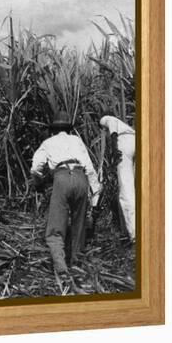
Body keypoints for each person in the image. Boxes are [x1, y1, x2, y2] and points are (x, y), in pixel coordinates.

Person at [29, 111, 101, 277]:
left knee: (55, 228)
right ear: (68, 129)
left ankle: (61, 267)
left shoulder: (48, 142)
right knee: (79, 224)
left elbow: (35, 168)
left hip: (61, 178)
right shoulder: (77, 140)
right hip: (80, 176)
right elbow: (90, 168)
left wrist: (39, 181)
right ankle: (77, 263)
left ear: (53, 129)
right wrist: (95, 195)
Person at [99, 114, 136, 241]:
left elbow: (113, 131)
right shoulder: (124, 125)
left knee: (126, 190)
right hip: (135, 140)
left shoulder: (106, 119)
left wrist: (115, 150)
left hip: (123, 144)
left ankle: (134, 233)